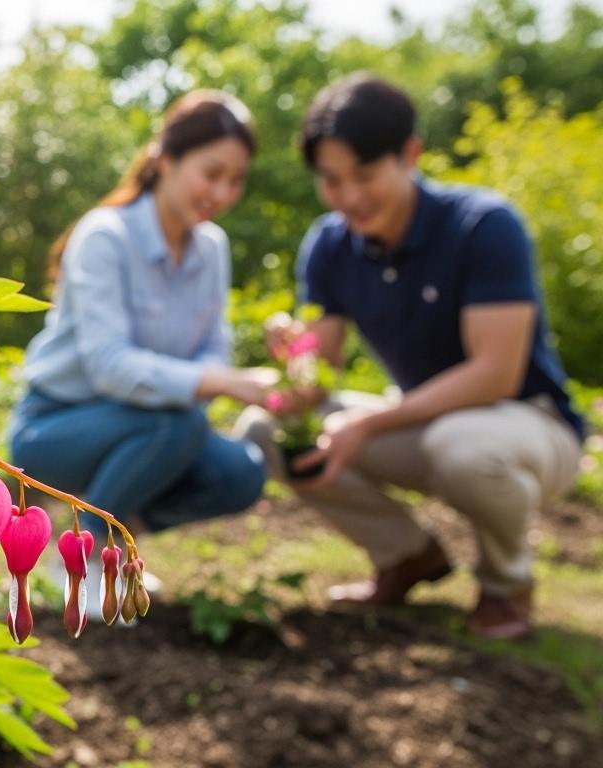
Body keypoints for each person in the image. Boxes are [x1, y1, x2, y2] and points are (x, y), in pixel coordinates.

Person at [238, 74, 584, 640]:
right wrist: (294, 354)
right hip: (423, 423)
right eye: (331, 180)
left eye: (365, 175)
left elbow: (495, 374)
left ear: (411, 155)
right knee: (269, 429)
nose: (350, 197)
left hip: (528, 425)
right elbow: (315, 382)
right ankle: (406, 556)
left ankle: (506, 586)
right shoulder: (330, 245)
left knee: (462, 446)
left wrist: (370, 422)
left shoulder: (483, 226)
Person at [9, 90, 270, 576]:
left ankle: (115, 534)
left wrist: (221, 378)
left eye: (236, 180)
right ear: (166, 160)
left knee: (241, 472)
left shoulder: (212, 247)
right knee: (178, 422)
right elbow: (110, 367)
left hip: (157, 430)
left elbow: (214, 347)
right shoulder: (105, 236)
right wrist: (220, 382)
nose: (222, 193)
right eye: (212, 173)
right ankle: (81, 559)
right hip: (56, 428)